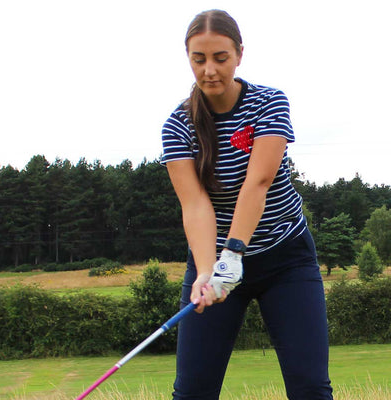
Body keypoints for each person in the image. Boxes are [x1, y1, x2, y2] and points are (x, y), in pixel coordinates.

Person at [161, 9, 333, 400]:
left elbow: (258, 182)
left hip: (285, 258)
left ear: (239, 54)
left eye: (220, 58)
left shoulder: (268, 102)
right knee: (192, 393)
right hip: (214, 263)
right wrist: (208, 272)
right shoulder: (177, 125)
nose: (209, 70)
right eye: (198, 59)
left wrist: (233, 252)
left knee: (310, 389)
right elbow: (195, 204)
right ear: (187, 58)